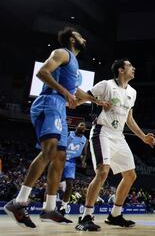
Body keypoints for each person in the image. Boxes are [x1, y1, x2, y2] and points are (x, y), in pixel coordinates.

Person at [4, 27, 109, 228]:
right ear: (71, 39)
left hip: (60, 107)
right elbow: (42, 72)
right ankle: (19, 202)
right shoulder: (62, 53)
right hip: (49, 101)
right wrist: (65, 93)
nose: (84, 38)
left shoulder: (75, 68)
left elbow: (76, 91)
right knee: (50, 151)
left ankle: (50, 208)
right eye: (80, 35)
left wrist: (96, 100)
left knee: (60, 158)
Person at [75, 58, 155, 231]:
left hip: (118, 135)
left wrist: (143, 137)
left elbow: (129, 119)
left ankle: (115, 215)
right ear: (120, 70)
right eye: (129, 66)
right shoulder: (105, 85)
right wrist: (94, 101)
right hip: (101, 132)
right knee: (103, 172)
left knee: (131, 175)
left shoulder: (132, 92)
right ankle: (85, 217)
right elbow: (81, 96)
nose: (133, 68)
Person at [58, 121, 88, 215]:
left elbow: (84, 153)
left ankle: (63, 206)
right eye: (82, 124)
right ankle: (46, 206)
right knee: (54, 183)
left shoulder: (85, 140)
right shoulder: (68, 133)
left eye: (85, 126)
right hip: (60, 159)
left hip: (71, 162)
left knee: (70, 184)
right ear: (76, 126)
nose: (84, 127)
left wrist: (83, 161)